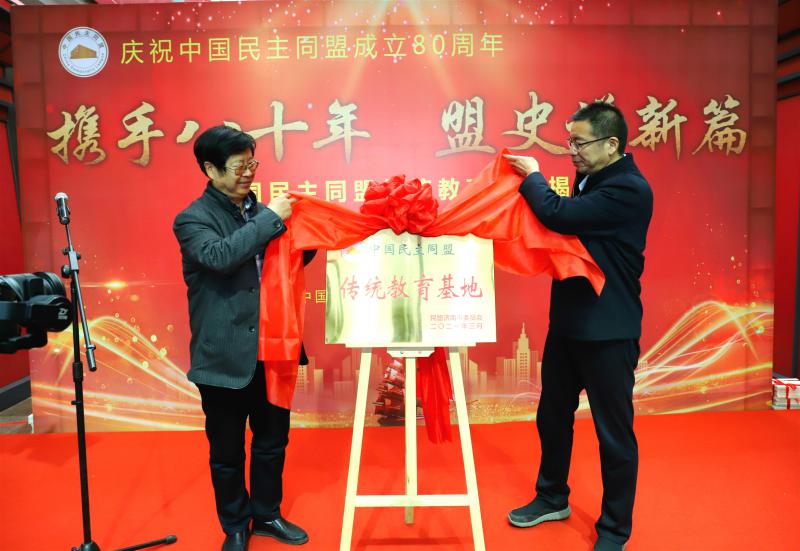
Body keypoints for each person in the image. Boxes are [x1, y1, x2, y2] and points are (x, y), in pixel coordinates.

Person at [504, 101, 653, 551]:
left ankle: (614, 529)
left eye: (580, 143)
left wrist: (533, 176)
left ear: (612, 144)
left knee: (614, 434)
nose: (572, 150)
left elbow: (558, 215)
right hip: (568, 324)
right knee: (552, 415)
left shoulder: (629, 189)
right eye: (570, 141)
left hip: (609, 332)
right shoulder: (591, 178)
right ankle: (552, 496)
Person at [173, 125, 310, 551]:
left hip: (273, 349)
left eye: (252, 163)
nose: (249, 172)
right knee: (227, 452)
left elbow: (285, 263)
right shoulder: (193, 219)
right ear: (210, 169)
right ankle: (235, 524)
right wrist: (273, 221)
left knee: (272, 442)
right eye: (238, 166)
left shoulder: (266, 213)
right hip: (223, 357)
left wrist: (306, 237)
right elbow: (220, 256)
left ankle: (267, 514)